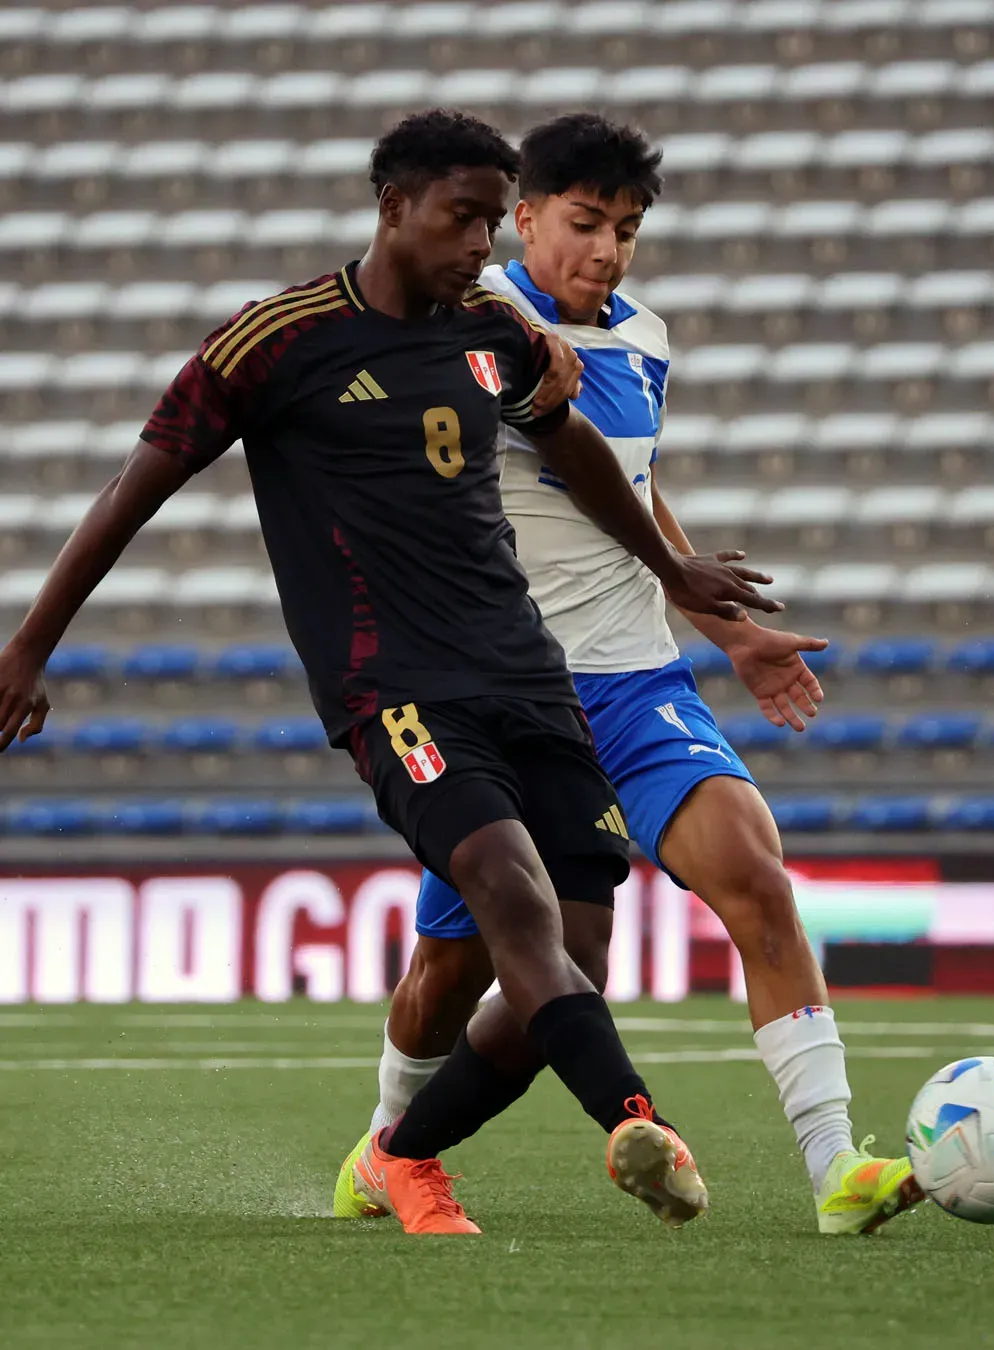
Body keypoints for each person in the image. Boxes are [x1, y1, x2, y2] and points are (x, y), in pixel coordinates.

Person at [0, 110, 782, 1235]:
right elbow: (137, 492)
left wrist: (672, 566)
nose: (480, 247)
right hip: (395, 694)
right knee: (509, 894)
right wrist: (29, 646)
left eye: (486, 222)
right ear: (394, 208)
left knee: (579, 950)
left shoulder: (494, 333)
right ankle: (632, 1122)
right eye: (463, 219)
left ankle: (398, 1155)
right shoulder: (274, 340)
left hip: (529, 676)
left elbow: (568, 444)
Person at [337, 113, 923, 1237]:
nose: (606, 250)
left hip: (636, 679)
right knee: (455, 973)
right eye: (584, 223)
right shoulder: (465, 318)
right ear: (525, 218)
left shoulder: (645, 339)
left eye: (627, 230)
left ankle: (838, 1169)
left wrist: (716, 616)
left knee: (755, 871)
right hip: (501, 697)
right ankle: (388, 1141)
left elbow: (629, 485)